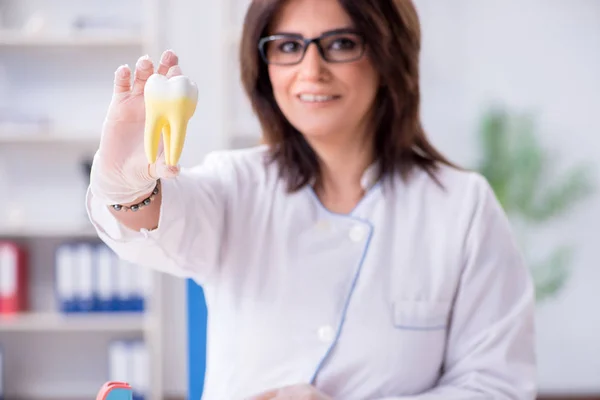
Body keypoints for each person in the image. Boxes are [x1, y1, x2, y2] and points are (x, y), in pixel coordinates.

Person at [87, 0, 537, 398]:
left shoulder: (461, 207)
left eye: (341, 44)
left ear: (389, 55)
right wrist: (130, 189)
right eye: (287, 46)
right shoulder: (236, 184)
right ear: (263, 65)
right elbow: (164, 223)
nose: (311, 69)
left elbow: (496, 385)